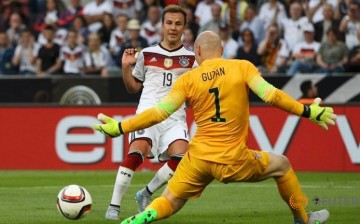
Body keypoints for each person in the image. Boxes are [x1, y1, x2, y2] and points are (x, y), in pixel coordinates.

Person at [93, 31, 336, 224]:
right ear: (221, 51)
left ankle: (139, 219)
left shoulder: (187, 79)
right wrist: (307, 110)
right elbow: (270, 95)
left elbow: (159, 112)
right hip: (232, 158)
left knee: (170, 199)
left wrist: (121, 127)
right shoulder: (242, 67)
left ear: (197, 51)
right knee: (282, 165)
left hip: (197, 158)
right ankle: (303, 219)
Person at [103, 5, 197, 221]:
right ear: (162, 25)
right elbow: (133, 88)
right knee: (137, 152)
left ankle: (145, 193)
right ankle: (113, 206)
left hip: (175, 116)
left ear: (184, 27)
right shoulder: (147, 53)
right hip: (148, 111)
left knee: (182, 157)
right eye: (169, 23)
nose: (173, 28)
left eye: (178, 23)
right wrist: (126, 68)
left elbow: (195, 93)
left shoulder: (192, 60)